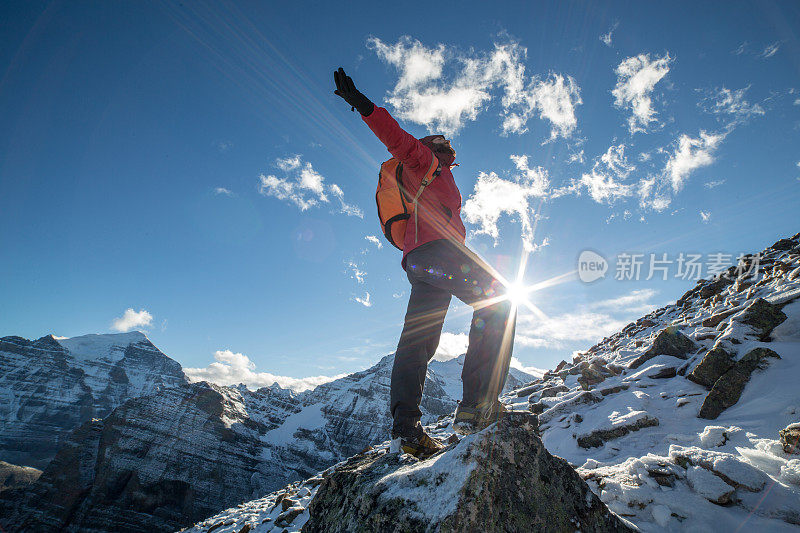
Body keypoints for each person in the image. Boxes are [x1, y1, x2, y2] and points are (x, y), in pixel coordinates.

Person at [334, 67, 517, 458]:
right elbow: (397, 138)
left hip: (419, 262)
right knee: (500, 300)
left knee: (418, 340)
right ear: (433, 146)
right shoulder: (424, 161)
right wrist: (365, 106)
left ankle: (406, 430)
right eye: (444, 141)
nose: (450, 145)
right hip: (440, 254)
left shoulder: (439, 174)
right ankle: (477, 406)